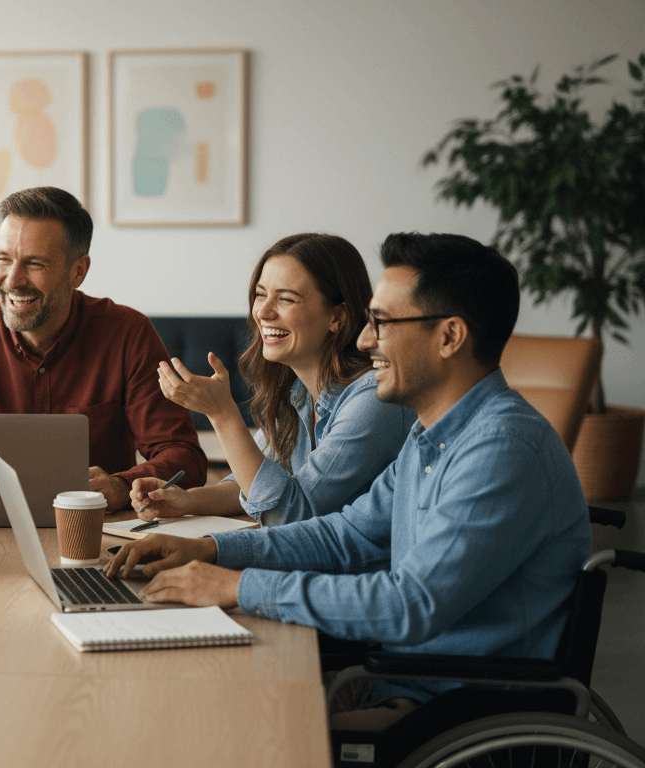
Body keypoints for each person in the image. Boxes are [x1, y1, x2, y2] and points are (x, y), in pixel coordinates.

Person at [107, 233, 590, 729]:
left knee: (239, 731)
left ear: (449, 337)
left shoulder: (501, 450)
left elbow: (410, 605)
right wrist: (210, 551)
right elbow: (347, 534)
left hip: (461, 711)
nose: (363, 340)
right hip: (400, 680)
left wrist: (238, 586)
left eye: (381, 323)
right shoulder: (431, 434)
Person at [0, 187, 206, 510]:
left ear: (78, 271)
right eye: (4, 259)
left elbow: (183, 456)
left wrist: (122, 486)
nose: (13, 280)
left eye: (34, 264)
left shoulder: (128, 336)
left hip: (93, 536)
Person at [132, 234, 414, 526]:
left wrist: (222, 414)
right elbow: (254, 484)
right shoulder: (294, 393)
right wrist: (186, 500)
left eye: (286, 299)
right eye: (260, 294)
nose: (263, 312)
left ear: (337, 317)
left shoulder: (373, 400)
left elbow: (288, 512)